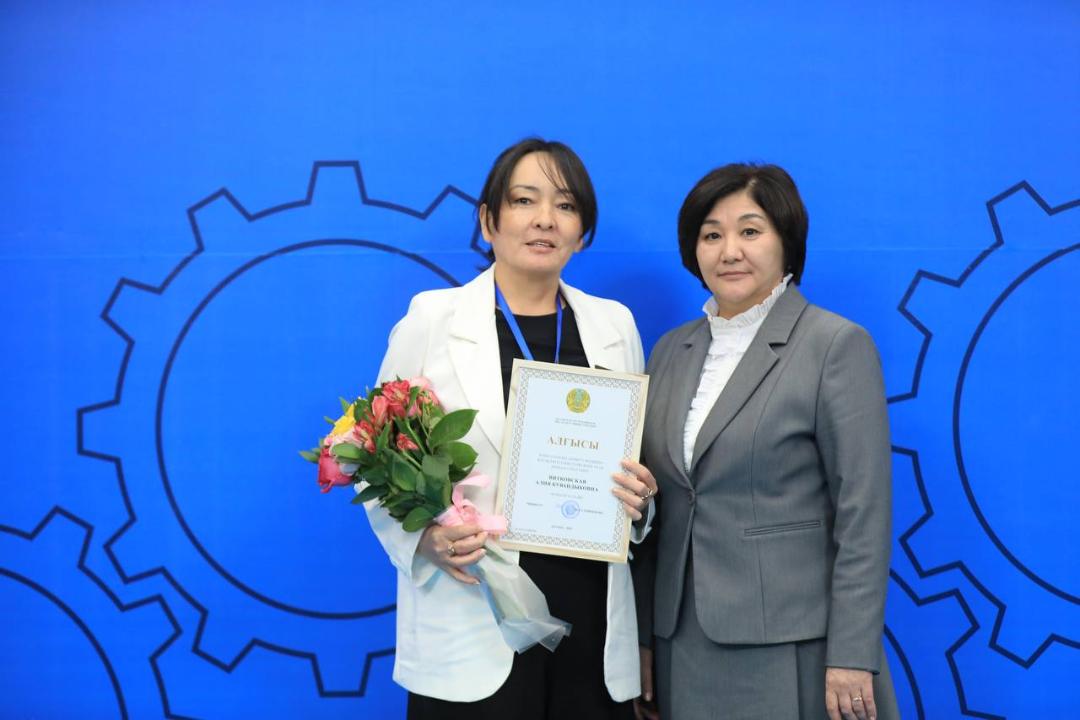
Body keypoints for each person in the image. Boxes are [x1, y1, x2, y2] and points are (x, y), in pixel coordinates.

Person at [366, 138, 658, 719]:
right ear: (488, 221)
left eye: (566, 206)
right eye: (525, 200)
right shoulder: (434, 319)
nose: (545, 219)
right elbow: (374, 457)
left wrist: (642, 504)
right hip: (474, 613)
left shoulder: (614, 325)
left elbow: (634, 462)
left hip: (591, 621)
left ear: (582, 232)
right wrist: (422, 540)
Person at [632, 164, 899, 720]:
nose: (729, 250)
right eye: (711, 234)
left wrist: (852, 654)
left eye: (750, 231)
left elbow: (864, 515)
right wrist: (645, 639)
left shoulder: (834, 345)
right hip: (682, 641)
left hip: (794, 644)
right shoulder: (669, 351)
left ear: (786, 241)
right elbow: (661, 503)